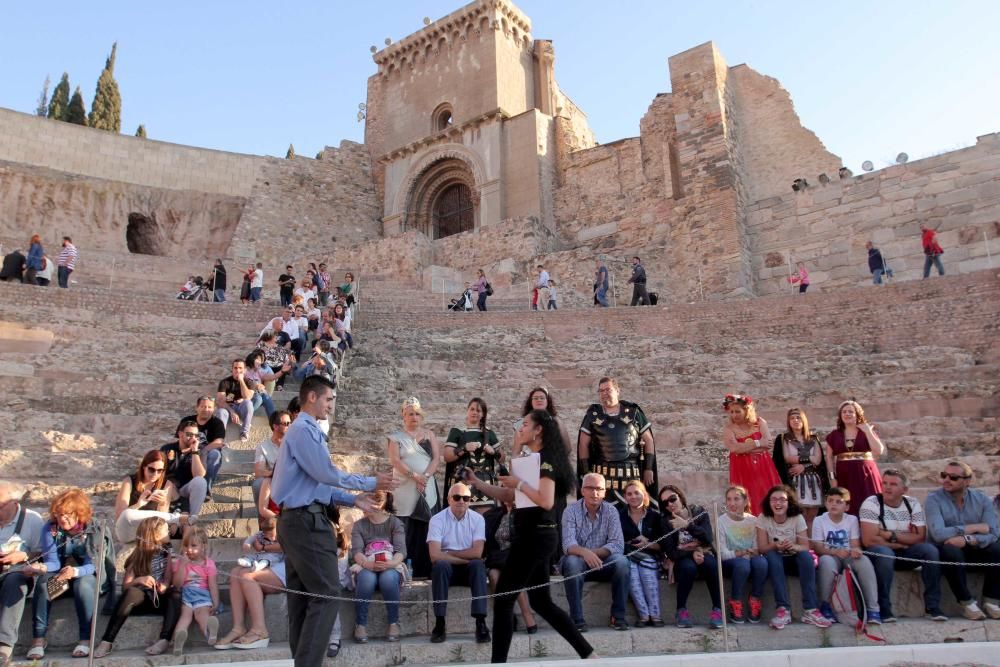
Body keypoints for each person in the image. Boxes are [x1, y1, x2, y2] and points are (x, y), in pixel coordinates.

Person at [270, 375, 395, 667]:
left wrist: (353, 499)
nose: (330, 405)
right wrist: (368, 482)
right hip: (306, 523)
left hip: (298, 520)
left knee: (302, 598)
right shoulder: (303, 429)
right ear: (312, 397)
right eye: (328, 399)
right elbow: (325, 473)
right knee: (326, 595)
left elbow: (314, 484)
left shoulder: (303, 431)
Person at [465, 408, 595, 663]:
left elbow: (545, 501)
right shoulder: (532, 459)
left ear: (539, 430)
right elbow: (512, 496)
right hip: (534, 537)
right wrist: (477, 484)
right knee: (542, 602)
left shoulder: (547, 460)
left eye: (525, 424)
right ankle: (588, 654)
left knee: (503, 599)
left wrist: (519, 483)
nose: (520, 428)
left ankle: (498, 663)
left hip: (535, 538)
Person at [859, 469, 946, 622]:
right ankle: (884, 608)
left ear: (904, 489)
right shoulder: (871, 503)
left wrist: (888, 535)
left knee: (930, 550)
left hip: (904, 552)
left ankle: (932, 606)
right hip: (882, 554)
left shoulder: (912, 504)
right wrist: (900, 542)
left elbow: (920, 538)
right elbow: (869, 540)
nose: (887, 487)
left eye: (893, 484)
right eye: (884, 483)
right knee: (885, 554)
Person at [29, 489, 107, 659]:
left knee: (83, 585)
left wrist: (74, 571)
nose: (62, 518)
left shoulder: (93, 528)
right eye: (58, 514)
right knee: (44, 584)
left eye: (67, 514)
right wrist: (41, 568)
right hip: (62, 577)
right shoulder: (51, 529)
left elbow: (93, 565)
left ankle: (85, 640)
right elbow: (54, 562)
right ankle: (38, 640)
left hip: (87, 575)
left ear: (79, 513)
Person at [94, 517, 180, 658]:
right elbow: (126, 586)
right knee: (132, 592)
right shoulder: (138, 555)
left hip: (159, 598)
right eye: (165, 529)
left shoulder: (168, 552)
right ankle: (107, 641)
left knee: (176, 593)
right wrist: (140, 580)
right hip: (142, 599)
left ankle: (164, 639)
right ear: (155, 534)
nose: (168, 532)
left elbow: (168, 578)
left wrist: (164, 586)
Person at [924, 460, 1000, 620]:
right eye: (944, 475)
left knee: (997, 548)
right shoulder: (933, 499)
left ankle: (991, 600)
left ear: (967, 481)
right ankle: (966, 602)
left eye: (953, 477)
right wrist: (973, 527)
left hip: (973, 547)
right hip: (945, 550)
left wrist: (967, 539)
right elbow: (938, 534)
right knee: (951, 550)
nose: (946, 480)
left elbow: (993, 532)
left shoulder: (982, 500)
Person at [561, 472, 630, 631]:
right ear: (582, 490)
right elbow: (568, 544)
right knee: (571, 562)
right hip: (578, 563)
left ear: (605, 492)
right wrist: (585, 554)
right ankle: (576, 620)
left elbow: (617, 544)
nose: (595, 493)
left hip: (602, 563)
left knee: (622, 562)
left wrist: (592, 554)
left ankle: (618, 617)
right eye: (590, 488)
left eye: (599, 489)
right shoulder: (570, 511)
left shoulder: (611, 511)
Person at [755, 485, 831, 630]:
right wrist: (776, 545)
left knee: (806, 557)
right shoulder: (763, 518)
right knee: (771, 555)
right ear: (769, 502)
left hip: (794, 558)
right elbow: (762, 548)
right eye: (774, 500)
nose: (778, 503)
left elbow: (805, 546)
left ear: (788, 502)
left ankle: (811, 609)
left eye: (782, 500)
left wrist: (793, 546)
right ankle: (783, 609)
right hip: (775, 559)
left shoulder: (797, 517)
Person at [427, 482, 490, 643]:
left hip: (468, 567)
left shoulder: (478, 519)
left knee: (478, 566)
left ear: (470, 500)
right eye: (457, 497)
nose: (461, 501)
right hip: (448, 568)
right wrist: (461, 558)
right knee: (440, 566)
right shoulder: (437, 519)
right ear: (449, 500)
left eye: (466, 498)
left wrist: (448, 553)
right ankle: (440, 623)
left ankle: (480, 622)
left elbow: (477, 552)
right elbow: (434, 555)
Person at [578, 377, 657, 505]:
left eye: (608, 389)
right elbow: (583, 444)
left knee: (633, 508)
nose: (604, 393)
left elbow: (648, 440)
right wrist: (587, 474)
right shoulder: (592, 416)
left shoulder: (634, 412)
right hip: (602, 472)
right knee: (603, 510)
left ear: (617, 390)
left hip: (630, 471)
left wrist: (649, 468)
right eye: (601, 391)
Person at [386, 397, 441, 579]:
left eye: (417, 413)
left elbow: (435, 459)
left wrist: (424, 477)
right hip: (404, 488)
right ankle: (403, 570)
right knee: (405, 528)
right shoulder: (395, 438)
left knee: (426, 526)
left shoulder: (429, 435)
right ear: (404, 416)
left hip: (426, 486)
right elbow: (395, 460)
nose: (414, 417)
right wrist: (414, 476)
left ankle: (426, 571)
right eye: (410, 413)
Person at [811, 487, 881, 625]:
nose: (833, 504)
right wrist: (835, 552)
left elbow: (855, 543)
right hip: (830, 556)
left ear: (847, 506)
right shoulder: (819, 520)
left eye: (838, 502)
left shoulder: (852, 520)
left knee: (864, 561)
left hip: (848, 556)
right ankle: (825, 606)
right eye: (830, 501)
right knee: (825, 562)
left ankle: (873, 609)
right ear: (825, 504)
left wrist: (856, 550)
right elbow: (818, 548)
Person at [215, 516, 286, 650]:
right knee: (236, 572)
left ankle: (260, 630)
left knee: (246, 575)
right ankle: (238, 627)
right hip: (273, 561)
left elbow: (290, 544)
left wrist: (263, 546)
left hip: (289, 563)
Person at [660, 484, 723, 629]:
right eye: (665, 503)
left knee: (712, 565)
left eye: (672, 499)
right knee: (688, 568)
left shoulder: (698, 512)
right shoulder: (665, 521)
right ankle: (681, 610)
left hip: (704, 551)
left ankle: (717, 610)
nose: (670, 504)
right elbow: (671, 552)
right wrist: (692, 552)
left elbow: (707, 538)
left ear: (680, 497)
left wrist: (686, 525)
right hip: (682, 557)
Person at [350, 491, 406, 643]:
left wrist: (391, 564)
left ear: (378, 504)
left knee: (388, 579)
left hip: (390, 564)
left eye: (365, 503)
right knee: (366, 580)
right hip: (367, 565)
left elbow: (400, 551)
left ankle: (393, 623)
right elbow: (357, 551)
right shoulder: (359, 525)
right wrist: (367, 563)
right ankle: (360, 624)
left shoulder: (395, 523)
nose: (362, 507)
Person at [0, 481, 45, 667]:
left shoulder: (32, 519)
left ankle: (4, 645)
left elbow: (42, 552)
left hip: (18, 570)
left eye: (0, 505)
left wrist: (24, 555)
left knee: (15, 582)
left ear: (14, 503)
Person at [483, 502, 537, 635]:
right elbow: (488, 542)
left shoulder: (527, 513)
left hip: (519, 557)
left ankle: (526, 613)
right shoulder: (492, 514)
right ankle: (507, 615)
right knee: (494, 575)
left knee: (512, 571)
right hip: (497, 559)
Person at [772, 407, 829, 531]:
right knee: (800, 515)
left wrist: (804, 465)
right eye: (792, 418)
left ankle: (812, 546)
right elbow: (787, 458)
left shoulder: (813, 439)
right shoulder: (784, 439)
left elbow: (818, 460)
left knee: (813, 517)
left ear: (803, 420)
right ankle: (803, 543)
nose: (795, 420)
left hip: (814, 482)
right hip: (796, 481)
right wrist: (810, 458)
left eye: (798, 417)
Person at [722, 394, 781, 514]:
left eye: (737, 411)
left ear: (746, 410)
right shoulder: (729, 429)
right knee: (746, 498)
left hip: (763, 468)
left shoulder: (760, 422)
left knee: (766, 496)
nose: (734, 415)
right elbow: (734, 448)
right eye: (731, 412)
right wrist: (758, 443)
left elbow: (768, 445)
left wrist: (743, 448)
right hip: (742, 469)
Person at [824, 400, 885, 515]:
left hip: (866, 473)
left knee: (871, 504)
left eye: (851, 412)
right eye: (844, 412)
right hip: (844, 474)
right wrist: (832, 478)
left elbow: (879, 450)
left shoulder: (866, 431)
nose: (847, 414)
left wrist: (867, 431)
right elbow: (829, 457)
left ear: (857, 414)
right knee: (849, 506)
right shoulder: (834, 435)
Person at [718, 485, 766, 624]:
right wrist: (742, 553)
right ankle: (736, 601)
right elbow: (723, 554)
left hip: (750, 559)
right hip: (731, 563)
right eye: (729, 499)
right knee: (743, 564)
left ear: (745, 502)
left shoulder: (753, 521)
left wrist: (753, 551)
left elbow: (757, 548)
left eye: (736, 499)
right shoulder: (721, 521)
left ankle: (755, 599)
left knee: (762, 563)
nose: (732, 503)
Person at [113, 450, 185, 543]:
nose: (155, 474)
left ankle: (168, 552)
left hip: (150, 531)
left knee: (162, 525)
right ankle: (177, 518)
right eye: (151, 469)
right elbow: (120, 516)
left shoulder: (166, 485)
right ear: (144, 467)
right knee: (127, 514)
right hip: (129, 531)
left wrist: (162, 503)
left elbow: (160, 521)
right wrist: (138, 504)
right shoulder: (129, 481)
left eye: (160, 471)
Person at [443, 398, 501, 511]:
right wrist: (464, 448)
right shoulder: (457, 431)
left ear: (483, 414)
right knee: (461, 522)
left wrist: (493, 452)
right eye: (472, 409)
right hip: (462, 483)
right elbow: (447, 456)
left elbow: (501, 458)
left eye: (478, 410)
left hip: (485, 486)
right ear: (467, 411)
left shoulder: (489, 433)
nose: (475, 412)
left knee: (484, 523)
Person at [619, 479, 663, 626]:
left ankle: (655, 615)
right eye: (629, 494)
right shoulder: (619, 516)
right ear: (625, 497)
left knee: (647, 572)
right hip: (629, 556)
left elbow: (663, 544)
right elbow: (616, 542)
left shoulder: (655, 516)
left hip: (650, 557)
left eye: (637, 493)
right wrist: (631, 543)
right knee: (632, 575)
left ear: (644, 495)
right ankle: (644, 615)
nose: (633, 497)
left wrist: (648, 543)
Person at [170, 527, 219, 655]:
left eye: (193, 545)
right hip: (186, 594)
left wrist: (216, 602)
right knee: (185, 616)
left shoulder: (209, 564)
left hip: (203, 596)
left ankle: (210, 634)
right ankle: (178, 641)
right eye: (186, 546)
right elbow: (177, 584)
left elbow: (213, 585)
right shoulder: (181, 562)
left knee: (201, 615)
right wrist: (182, 565)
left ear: (203, 546)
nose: (189, 549)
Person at [177, 396, 227, 500]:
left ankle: (206, 490)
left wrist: (202, 451)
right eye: (203, 406)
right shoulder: (187, 421)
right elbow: (179, 439)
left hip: (207, 453)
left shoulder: (217, 423)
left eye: (209, 407)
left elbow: (218, 442)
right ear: (197, 408)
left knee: (215, 454)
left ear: (214, 409)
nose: (206, 410)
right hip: (188, 451)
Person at [161, 421, 208, 520]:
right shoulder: (167, 449)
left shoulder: (200, 451)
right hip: (169, 489)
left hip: (186, 489)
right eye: (189, 434)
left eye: (196, 435)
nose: (193, 438)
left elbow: (199, 475)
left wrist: (194, 451)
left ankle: (192, 518)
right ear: (180, 434)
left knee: (200, 482)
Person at [253, 411, 291, 508]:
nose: (289, 426)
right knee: (258, 484)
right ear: (275, 426)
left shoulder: (294, 443)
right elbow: (258, 471)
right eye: (286, 423)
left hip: (292, 478)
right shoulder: (263, 447)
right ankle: (263, 520)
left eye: (290, 423)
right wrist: (273, 473)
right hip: (273, 479)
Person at [216, 359, 256, 443]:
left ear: (245, 370)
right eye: (235, 368)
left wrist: (241, 380)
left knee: (248, 402)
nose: (237, 370)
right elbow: (220, 401)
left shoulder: (250, 383)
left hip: (242, 409)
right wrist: (232, 411)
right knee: (220, 411)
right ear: (232, 369)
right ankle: (220, 437)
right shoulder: (224, 382)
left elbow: (247, 397)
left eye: (240, 368)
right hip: (229, 410)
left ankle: (244, 432)